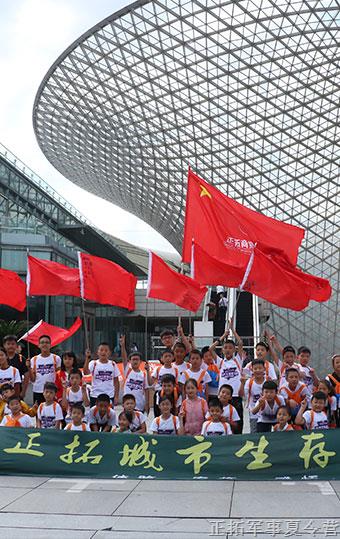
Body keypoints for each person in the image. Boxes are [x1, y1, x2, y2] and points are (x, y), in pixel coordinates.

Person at [216, 339, 244, 432]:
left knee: (237, 424)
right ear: (222, 350)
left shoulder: (237, 360)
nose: (228, 350)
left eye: (230, 348)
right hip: (222, 398)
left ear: (234, 350)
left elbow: (240, 343)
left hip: (235, 396)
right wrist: (223, 336)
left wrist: (232, 328)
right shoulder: (220, 362)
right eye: (225, 347)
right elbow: (211, 349)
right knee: (221, 422)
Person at [83, 343, 120, 407]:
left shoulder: (113, 364)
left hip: (109, 395)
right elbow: (86, 372)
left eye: (106, 350)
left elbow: (116, 381)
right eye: (101, 350)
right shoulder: (93, 363)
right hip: (95, 395)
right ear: (98, 352)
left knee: (109, 415)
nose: (103, 352)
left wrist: (116, 396)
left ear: (109, 353)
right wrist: (87, 358)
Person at [28, 335, 61, 404]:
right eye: (42, 342)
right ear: (39, 345)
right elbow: (32, 379)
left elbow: (59, 376)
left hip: (52, 391)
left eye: (47, 342)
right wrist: (28, 368)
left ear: (50, 345)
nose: (44, 344)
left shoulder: (56, 358)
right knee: (39, 413)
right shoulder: (34, 359)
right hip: (38, 391)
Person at [241, 359, 266, 433]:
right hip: (253, 413)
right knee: (254, 432)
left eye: (260, 368)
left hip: (265, 413)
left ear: (264, 369)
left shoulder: (267, 381)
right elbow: (244, 396)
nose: (258, 370)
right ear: (252, 369)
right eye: (255, 368)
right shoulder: (249, 382)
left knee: (267, 433)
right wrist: (242, 383)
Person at [326, 354, 340, 427]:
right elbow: (326, 391)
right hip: (334, 404)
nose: (339, 364)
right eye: (337, 362)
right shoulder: (329, 378)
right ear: (333, 365)